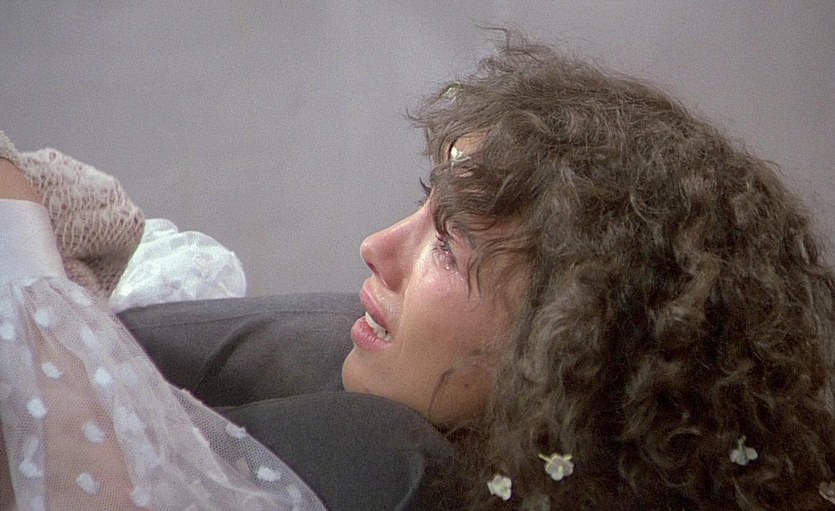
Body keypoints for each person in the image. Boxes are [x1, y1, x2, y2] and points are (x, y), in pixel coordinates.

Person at [2, 29, 835, 510]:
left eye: (448, 242)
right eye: (422, 206)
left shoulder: (387, 464)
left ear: (573, 344)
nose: (376, 246)